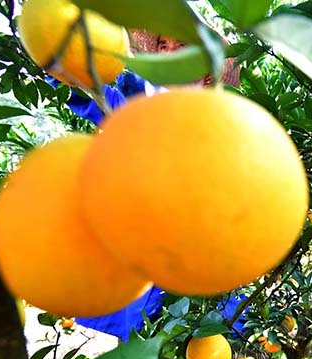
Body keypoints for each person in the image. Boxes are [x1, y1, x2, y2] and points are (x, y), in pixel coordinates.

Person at [69, 29, 244, 340]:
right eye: (163, 45)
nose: (167, 53)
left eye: (182, 46)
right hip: (147, 290)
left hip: (206, 297)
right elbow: (85, 88)